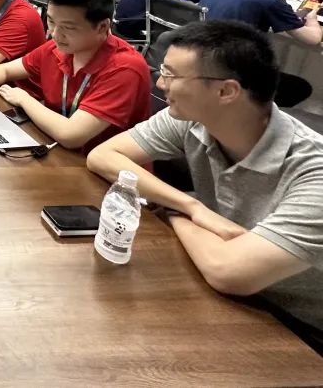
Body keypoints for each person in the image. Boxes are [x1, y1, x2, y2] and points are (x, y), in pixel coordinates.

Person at [87, 21, 323, 349]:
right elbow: (103, 156)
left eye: (171, 75)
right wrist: (192, 205)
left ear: (226, 91)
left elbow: (229, 272)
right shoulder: (194, 118)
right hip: (224, 297)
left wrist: (174, 211)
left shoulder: (314, 173)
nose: (160, 82)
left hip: (297, 332)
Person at [0, 0, 151, 151]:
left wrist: (24, 99)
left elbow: (71, 136)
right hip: (55, 146)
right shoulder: (58, 48)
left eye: (68, 27)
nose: (55, 34)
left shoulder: (124, 68)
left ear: (102, 27)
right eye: (51, 22)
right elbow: (4, 71)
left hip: (96, 166)